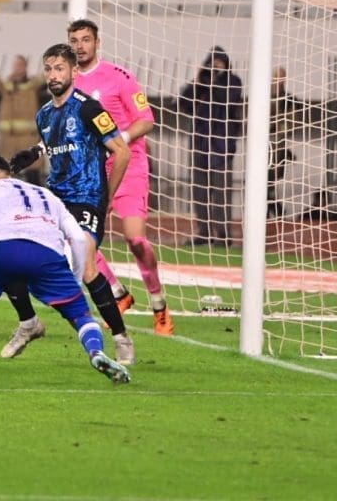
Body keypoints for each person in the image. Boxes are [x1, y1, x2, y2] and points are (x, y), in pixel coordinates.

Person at [0, 153, 130, 384]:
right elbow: (77, 237)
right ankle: (96, 352)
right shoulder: (46, 194)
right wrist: (74, 280)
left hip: (5, 249)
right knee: (80, 314)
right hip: (48, 254)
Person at [6, 43, 135, 365]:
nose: (53, 75)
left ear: (74, 72)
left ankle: (121, 338)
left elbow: (122, 152)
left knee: (87, 264)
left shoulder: (90, 109)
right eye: (49, 69)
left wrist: (107, 197)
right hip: (55, 201)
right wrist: (34, 152)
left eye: (59, 68)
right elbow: (56, 142)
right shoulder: (44, 114)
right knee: (10, 254)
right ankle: (29, 323)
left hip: (87, 200)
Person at [68, 19, 175, 335]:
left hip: (128, 165)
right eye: (74, 40)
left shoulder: (119, 77)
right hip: (92, 171)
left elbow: (146, 121)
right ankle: (118, 294)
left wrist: (117, 141)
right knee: (79, 239)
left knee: (135, 239)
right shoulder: (69, 82)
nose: (80, 46)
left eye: (85, 39)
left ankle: (159, 305)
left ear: (97, 42)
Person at [178, 47, 244, 245]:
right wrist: (199, 80)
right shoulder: (202, 83)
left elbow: (228, 100)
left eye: (219, 63)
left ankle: (223, 234)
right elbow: (184, 102)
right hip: (200, 144)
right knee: (200, 191)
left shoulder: (233, 81)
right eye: (212, 63)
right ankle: (204, 231)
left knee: (221, 191)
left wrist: (214, 81)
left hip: (221, 146)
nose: (215, 67)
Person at [0, 53, 46, 185]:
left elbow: (46, 78)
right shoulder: (6, 86)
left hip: (28, 137)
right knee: (4, 171)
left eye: (21, 65)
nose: (18, 68)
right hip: (7, 138)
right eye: (16, 65)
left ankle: (34, 197)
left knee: (33, 171)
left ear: (26, 67)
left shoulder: (32, 85)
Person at [267, 67, 296, 219]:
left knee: (271, 180)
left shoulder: (288, 99)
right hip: (265, 144)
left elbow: (290, 122)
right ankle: (275, 211)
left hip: (278, 144)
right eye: (276, 77)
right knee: (265, 181)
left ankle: (275, 211)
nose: (278, 81)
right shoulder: (265, 96)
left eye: (281, 78)